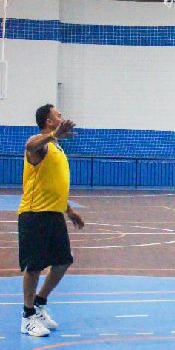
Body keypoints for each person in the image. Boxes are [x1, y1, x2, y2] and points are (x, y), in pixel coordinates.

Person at [18, 104, 85, 337]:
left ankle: (39, 302)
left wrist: (69, 210)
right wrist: (54, 135)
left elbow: (54, 184)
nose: (61, 117)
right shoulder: (41, 145)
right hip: (35, 213)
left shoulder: (57, 148)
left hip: (55, 213)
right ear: (48, 122)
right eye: (58, 115)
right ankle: (27, 317)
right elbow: (30, 145)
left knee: (63, 262)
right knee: (34, 267)